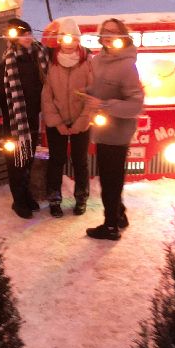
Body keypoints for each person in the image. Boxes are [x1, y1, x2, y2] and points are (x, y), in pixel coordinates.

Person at [85, 18, 145, 241]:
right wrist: (87, 95)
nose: (108, 35)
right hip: (102, 129)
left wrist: (103, 105)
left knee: (110, 180)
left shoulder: (127, 65)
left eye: (113, 31)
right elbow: (97, 88)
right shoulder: (97, 60)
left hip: (117, 132)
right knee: (108, 177)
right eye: (105, 31)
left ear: (122, 35)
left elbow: (136, 105)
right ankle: (119, 215)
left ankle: (110, 226)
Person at [0, 18, 45, 219]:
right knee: (16, 163)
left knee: (27, 160)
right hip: (14, 122)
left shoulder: (39, 55)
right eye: (22, 35)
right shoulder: (8, 63)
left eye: (28, 33)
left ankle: (26, 195)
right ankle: (18, 201)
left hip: (32, 119)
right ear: (15, 39)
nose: (27, 37)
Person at [40, 33, 97, 216]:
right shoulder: (52, 62)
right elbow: (47, 97)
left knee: (80, 161)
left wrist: (81, 122)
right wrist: (57, 123)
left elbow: (92, 94)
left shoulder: (88, 62)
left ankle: (81, 198)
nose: (70, 44)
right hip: (57, 122)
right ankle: (54, 199)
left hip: (81, 121)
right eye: (66, 39)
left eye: (74, 39)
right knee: (56, 160)